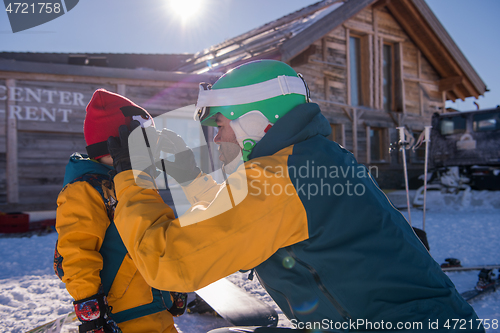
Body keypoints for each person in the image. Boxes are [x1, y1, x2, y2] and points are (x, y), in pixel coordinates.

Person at [107, 60, 484, 332]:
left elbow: (169, 262)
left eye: (220, 125)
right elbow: (234, 211)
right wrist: (183, 170)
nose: (217, 138)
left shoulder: (280, 178)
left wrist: (129, 174)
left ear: (254, 122)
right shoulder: (309, 158)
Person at [54, 89, 185, 333]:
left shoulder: (136, 182)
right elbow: (76, 252)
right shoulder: (85, 190)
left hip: (157, 307)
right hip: (121, 315)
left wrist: (173, 284)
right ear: (120, 144)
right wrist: (90, 308)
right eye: (146, 142)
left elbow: (157, 237)